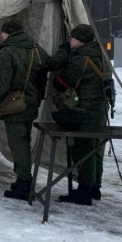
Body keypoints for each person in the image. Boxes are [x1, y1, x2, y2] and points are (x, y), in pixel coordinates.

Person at [0, 19, 49, 200]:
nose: (1, 36)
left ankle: (24, 184)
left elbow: (1, 85)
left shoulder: (8, 52)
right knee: (24, 142)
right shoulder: (36, 49)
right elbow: (48, 64)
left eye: (3, 33)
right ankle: (22, 180)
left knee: (19, 145)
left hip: (15, 106)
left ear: (8, 33)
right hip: (31, 104)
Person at [44, 24, 108, 205]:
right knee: (95, 149)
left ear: (80, 40)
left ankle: (84, 191)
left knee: (84, 149)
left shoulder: (80, 58)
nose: (69, 40)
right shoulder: (100, 54)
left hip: (84, 110)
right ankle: (95, 187)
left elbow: (61, 83)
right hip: (101, 109)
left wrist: (63, 57)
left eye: (72, 37)